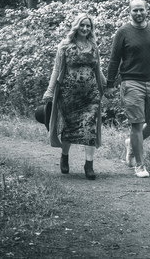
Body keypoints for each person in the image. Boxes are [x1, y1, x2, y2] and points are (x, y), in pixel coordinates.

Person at [105, 0, 150, 178]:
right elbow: (114, 59)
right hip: (131, 82)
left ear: (146, 10)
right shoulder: (123, 32)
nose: (138, 13)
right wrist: (109, 84)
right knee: (137, 123)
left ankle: (131, 144)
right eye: (135, 11)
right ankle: (139, 165)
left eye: (141, 10)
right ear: (129, 12)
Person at [43, 13, 106, 180]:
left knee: (90, 129)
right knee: (70, 128)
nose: (85, 28)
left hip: (90, 95)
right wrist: (49, 91)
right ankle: (64, 156)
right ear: (76, 26)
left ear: (91, 29)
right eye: (82, 25)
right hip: (69, 96)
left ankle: (89, 165)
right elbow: (57, 69)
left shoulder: (93, 46)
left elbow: (98, 70)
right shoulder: (65, 46)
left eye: (88, 26)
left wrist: (108, 86)